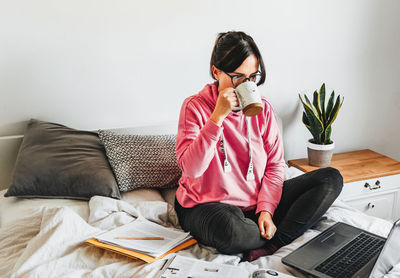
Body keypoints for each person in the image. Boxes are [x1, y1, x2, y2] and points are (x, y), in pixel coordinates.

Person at [174, 31, 343, 262]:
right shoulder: (194, 107)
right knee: (231, 230)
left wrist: (266, 210)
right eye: (238, 77)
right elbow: (192, 169)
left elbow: (275, 166)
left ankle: (271, 241)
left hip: (255, 204)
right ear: (216, 71)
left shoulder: (263, 109)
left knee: (330, 179)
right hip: (207, 204)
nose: (247, 85)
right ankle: (274, 234)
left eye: (252, 77)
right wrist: (217, 119)